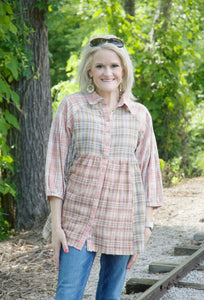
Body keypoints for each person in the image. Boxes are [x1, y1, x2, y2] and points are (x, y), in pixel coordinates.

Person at [44, 35, 163, 300]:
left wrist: (146, 226)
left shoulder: (140, 115)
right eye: (100, 66)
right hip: (76, 221)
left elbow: (149, 173)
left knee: (110, 295)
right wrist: (56, 226)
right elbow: (55, 167)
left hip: (122, 220)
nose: (107, 72)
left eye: (114, 66)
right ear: (89, 70)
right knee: (67, 294)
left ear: (124, 70)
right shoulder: (71, 107)